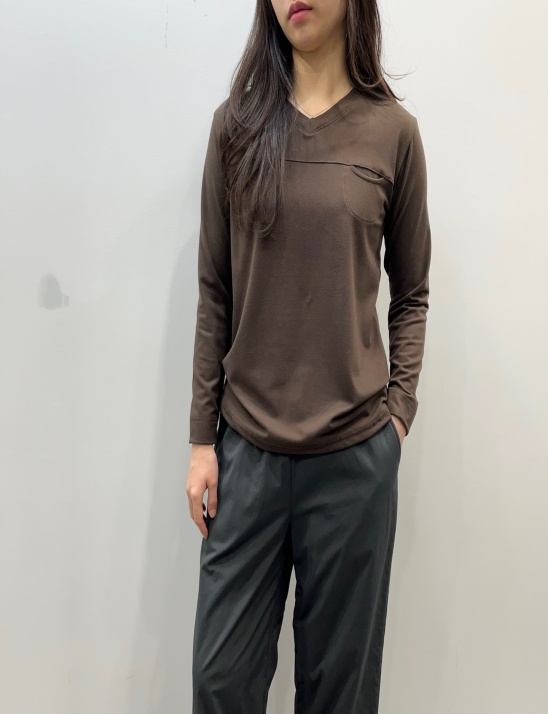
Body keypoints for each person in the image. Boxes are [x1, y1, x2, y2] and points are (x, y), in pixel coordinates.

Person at [186, 0, 431, 711]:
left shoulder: (393, 133)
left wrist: (397, 417)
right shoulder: (235, 127)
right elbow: (215, 290)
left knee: (338, 696)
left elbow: (412, 293)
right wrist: (202, 441)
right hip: (246, 457)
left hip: (353, 463)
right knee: (221, 683)